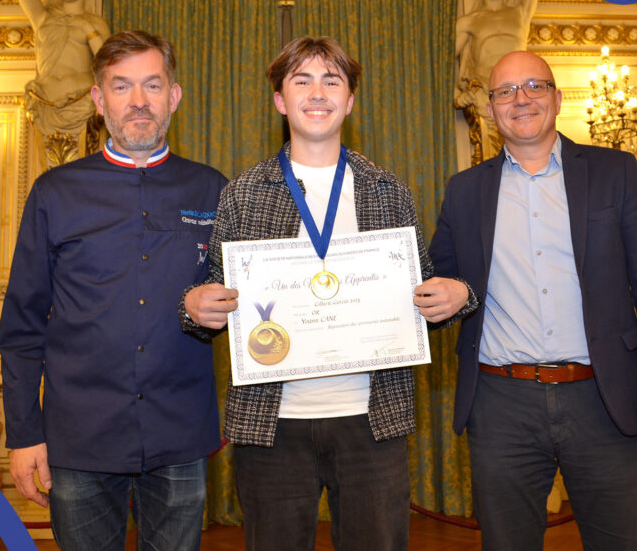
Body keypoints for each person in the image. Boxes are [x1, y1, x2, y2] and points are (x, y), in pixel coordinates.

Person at [180, 36, 473, 551]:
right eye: (302, 80)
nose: (317, 93)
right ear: (280, 100)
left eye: (331, 81)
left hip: (372, 421)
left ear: (350, 100)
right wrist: (194, 306)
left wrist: (455, 296)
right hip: (272, 423)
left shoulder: (388, 190)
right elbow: (214, 293)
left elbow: (424, 296)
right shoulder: (243, 193)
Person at [429, 50, 637, 550]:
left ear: (558, 97)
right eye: (505, 92)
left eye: (534, 86)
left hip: (603, 396)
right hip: (500, 403)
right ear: (491, 109)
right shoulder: (464, 191)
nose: (521, 99)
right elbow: (442, 285)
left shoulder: (615, 172)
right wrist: (450, 294)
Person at [0, 31, 226, 551]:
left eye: (152, 85)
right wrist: (24, 434)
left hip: (180, 433)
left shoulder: (213, 188)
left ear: (174, 96)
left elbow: (248, 303)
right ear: (99, 101)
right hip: (79, 436)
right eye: (122, 87)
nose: (139, 101)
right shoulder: (55, 192)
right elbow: (22, 327)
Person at [11, 0, 110, 166]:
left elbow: (109, 65)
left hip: (82, 107)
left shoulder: (95, 22)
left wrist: (87, 29)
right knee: (50, 174)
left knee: (81, 174)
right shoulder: (42, 18)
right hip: (45, 106)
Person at [455, 0, 546, 164]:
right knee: (493, 165)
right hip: (487, 98)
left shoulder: (520, 13)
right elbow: (438, 63)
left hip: (524, 96)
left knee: (531, 160)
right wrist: (457, 94)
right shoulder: (469, 21)